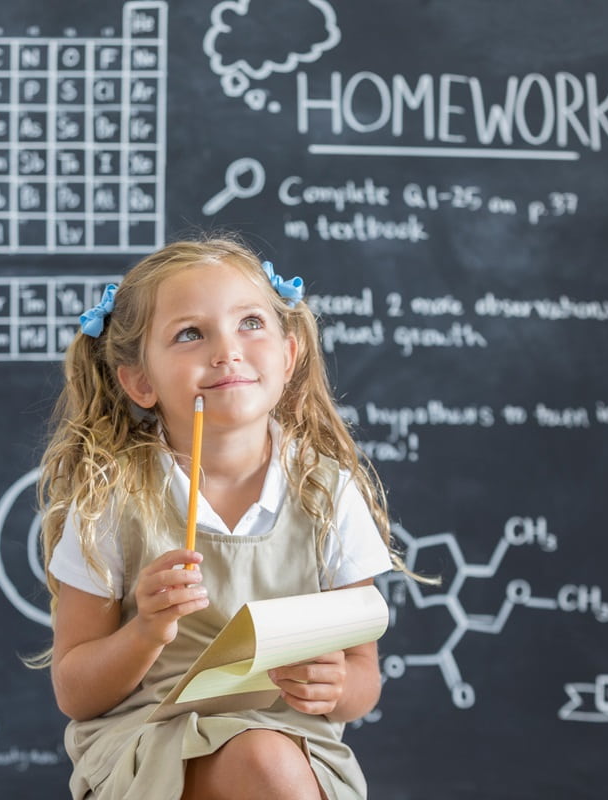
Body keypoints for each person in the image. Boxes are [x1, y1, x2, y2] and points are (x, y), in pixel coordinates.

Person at [36, 236, 415, 800]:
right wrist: (145, 632)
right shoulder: (111, 498)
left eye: (251, 324)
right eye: (191, 334)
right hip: (148, 744)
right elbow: (75, 693)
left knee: (267, 754)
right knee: (261, 760)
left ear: (288, 357)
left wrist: (333, 686)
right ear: (140, 381)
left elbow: (363, 680)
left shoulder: (326, 491)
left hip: (293, 739)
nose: (227, 351)